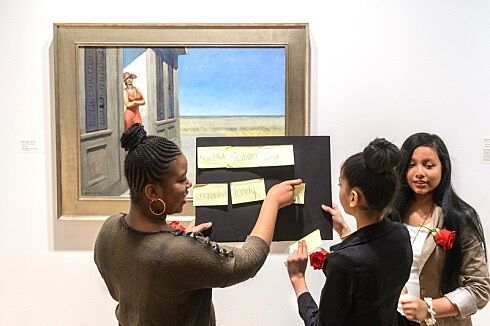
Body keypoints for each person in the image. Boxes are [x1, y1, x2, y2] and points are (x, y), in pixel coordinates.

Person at [94, 123, 302, 326]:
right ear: (153, 192)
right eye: (181, 179)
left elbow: (121, 290)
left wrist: (180, 242)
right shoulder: (177, 253)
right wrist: (272, 202)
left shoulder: (109, 230)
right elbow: (248, 262)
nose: (189, 185)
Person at [286, 138, 413, 325]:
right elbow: (368, 283)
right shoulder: (401, 235)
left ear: (353, 197)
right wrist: (344, 231)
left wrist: (298, 279)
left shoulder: (343, 262)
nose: (339, 190)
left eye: (340, 185)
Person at [389, 133, 490, 326]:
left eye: (429, 165)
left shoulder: (460, 218)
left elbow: (480, 288)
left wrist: (429, 308)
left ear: (443, 168)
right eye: (411, 165)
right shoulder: (390, 214)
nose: (419, 172)